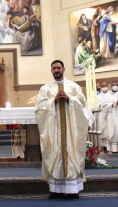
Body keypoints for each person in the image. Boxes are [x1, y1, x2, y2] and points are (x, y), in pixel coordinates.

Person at [35, 60, 91, 199]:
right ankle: (56, 189)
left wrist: (69, 99)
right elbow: (39, 108)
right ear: (51, 70)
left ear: (64, 69)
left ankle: (73, 189)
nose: (56, 70)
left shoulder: (74, 87)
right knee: (55, 153)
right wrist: (52, 101)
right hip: (54, 131)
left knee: (71, 152)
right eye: (54, 68)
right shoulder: (45, 89)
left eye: (58, 68)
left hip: (71, 131)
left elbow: (83, 105)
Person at [98, 81, 118, 152]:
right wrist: (114, 104)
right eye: (114, 85)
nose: (115, 86)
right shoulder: (108, 95)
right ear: (111, 86)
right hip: (110, 117)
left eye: (116, 85)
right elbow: (104, 106)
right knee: (113, 131)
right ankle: (113, 150)